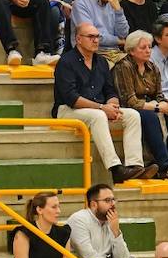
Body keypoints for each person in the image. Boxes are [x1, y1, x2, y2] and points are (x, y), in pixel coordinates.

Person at [54, 22, 153, 182]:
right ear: (78, 39)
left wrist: (112, 105)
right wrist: (102, 108)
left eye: (97, 36)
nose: (95, 40)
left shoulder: (101, 62)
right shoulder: (66, 62)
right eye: (91, 37)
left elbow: (110, 90)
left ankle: (135, 166)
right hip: (66, 110)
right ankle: (115, 169)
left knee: (132, 115)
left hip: (97, 108)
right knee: (98, 116)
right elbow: (71, 98)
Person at [113, 30, 168, 180]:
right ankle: (165, 166)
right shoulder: (123, 66)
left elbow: (159, 94)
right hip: (129, 107)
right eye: (143, 48)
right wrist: (158, 107)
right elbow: (130, 100)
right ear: (132, 50)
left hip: (150, 104)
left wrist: (167, 104)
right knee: (150, 117)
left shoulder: (152, 67)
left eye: (149, 47)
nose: (148, 50)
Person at [67, 183, 145, 258]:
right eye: (108, 200)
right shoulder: (79, 220)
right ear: (93, 204)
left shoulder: (111, 221)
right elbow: (88, 257)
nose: (113, 204)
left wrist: (116, 232)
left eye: (114, 199)